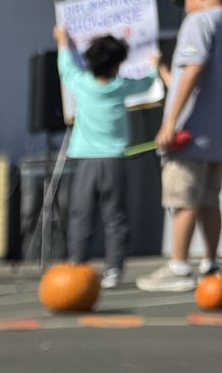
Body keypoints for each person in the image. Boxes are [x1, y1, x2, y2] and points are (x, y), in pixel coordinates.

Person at [137, 0, 222, 292]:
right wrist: (161, 69)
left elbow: (194, 69)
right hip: (216, 136)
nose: (184, 6)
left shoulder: (199, 20)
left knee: (182, 197)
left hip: (189, 133)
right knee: (209, 200)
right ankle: (211, 263)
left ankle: (179, 265)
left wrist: (169, 122)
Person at [53, 27, 159, 289]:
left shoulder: (82, 84)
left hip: (86, 160)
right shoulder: (121, 86)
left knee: (81, 214)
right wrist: (155, 67)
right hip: (114, 161)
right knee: (115, 216)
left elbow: (65, 67)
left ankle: (77, 262)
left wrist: (64, 43)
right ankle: (114, 268)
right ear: (117, 65)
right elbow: (147, 82)